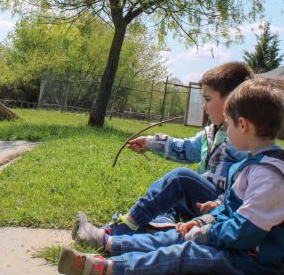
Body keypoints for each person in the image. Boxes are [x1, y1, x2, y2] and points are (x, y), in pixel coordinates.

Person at [58, 78, 284, 275]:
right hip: (242, 245)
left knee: (184, 253)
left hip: (254, 257)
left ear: (244, 126)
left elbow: (244, 232)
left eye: (229, 125)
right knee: (179, 235)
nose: (226, 131)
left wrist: (205, 234)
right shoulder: (254, 164)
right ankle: (108, 242)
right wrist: (200, 222)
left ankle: (104, 268)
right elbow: (230, 209)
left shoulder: (270, 175)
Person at [100, 62, 253, 236]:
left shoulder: (245, 143)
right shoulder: (211, 133)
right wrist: (150, 143)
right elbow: (186, 149)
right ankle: (163, 225)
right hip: (203, 202)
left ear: (231, 100)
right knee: (168, 196)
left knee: (180, 179)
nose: (204, 106)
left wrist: (221, 203)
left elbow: (247, 189)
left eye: (208, 99)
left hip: (221, 205)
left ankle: (129, 223)